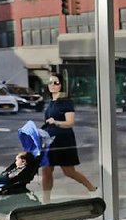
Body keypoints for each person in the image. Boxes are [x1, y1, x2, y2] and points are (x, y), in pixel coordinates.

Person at [40, 73, 97, 203]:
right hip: (50, 141)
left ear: (61, 85)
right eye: (50, 83)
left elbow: (70, 122)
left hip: (63, 140)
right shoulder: (51, 103)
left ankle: (92, 188)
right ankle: (46, 201)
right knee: (46, 170)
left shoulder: (66, 102)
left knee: (69, 171)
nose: (53, 85)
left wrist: (56, 122)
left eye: (56, 83)